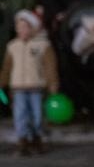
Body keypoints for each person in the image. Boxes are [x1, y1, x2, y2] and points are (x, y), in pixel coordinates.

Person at [0, 10, 58, 155]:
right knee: (20, 115)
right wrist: (2, 83)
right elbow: (7, 68)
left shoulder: (42, 45)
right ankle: (22, 141)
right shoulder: (12, 46)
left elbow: (50, 66)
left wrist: (53, 84)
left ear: (32, 28)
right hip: (18, 87)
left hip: (36, 87)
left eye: (25, 26)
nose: (22, 30)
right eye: (19, 27)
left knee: (37, 115)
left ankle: (37, 138)